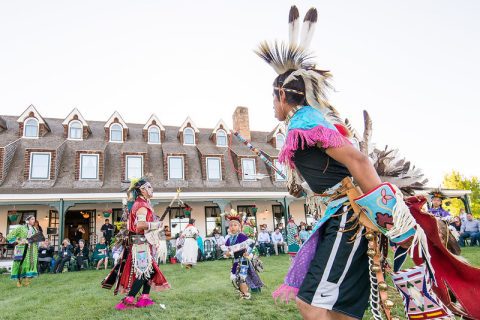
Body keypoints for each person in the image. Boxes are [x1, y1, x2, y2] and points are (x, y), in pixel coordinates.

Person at [257, 6, 442, 319]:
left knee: (310, 303)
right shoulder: (308, 122)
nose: (271, 104)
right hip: (347, 216)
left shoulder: (304, 121)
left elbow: (357, 159)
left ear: (283, 95)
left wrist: (389, 214)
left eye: (272, 97)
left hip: (349, 218)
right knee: (342, 309)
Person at [102, 178, 169, 310]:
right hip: (140, 243)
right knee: (144, 271)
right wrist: (156, 224)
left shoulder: (145, 203)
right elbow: (140, 225)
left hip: (144, 242)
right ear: (142, 190)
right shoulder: (141, 205)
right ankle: (128, 300)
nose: (152, 189)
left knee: (150, 271)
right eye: (149, 187)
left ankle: (144, 298)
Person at [221, 209, 264, 299]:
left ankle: (245, 294)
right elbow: (226, 250)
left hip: (244, 260)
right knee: (234, 277)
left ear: (239, 227)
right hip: (236, 261)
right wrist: (227, 254)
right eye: (231, 225)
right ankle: (244, 291)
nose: (233, 227)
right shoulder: (229, 239)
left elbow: (252, 244)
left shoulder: (241, 236)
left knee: (242, 276)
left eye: (235, 225)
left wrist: (248, 253)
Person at [6, 215, 41, 286]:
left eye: (34, 219)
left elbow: (38, 238)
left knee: (30, 264)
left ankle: (27, 281)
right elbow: (9, 236)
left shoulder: (35, 229)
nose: (33, 221)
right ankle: (19, 281)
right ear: (27, 220)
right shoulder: (21, 228)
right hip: (22, 249)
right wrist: (19, 241)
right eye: (32, 219)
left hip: (32, 249)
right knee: (21, 264)